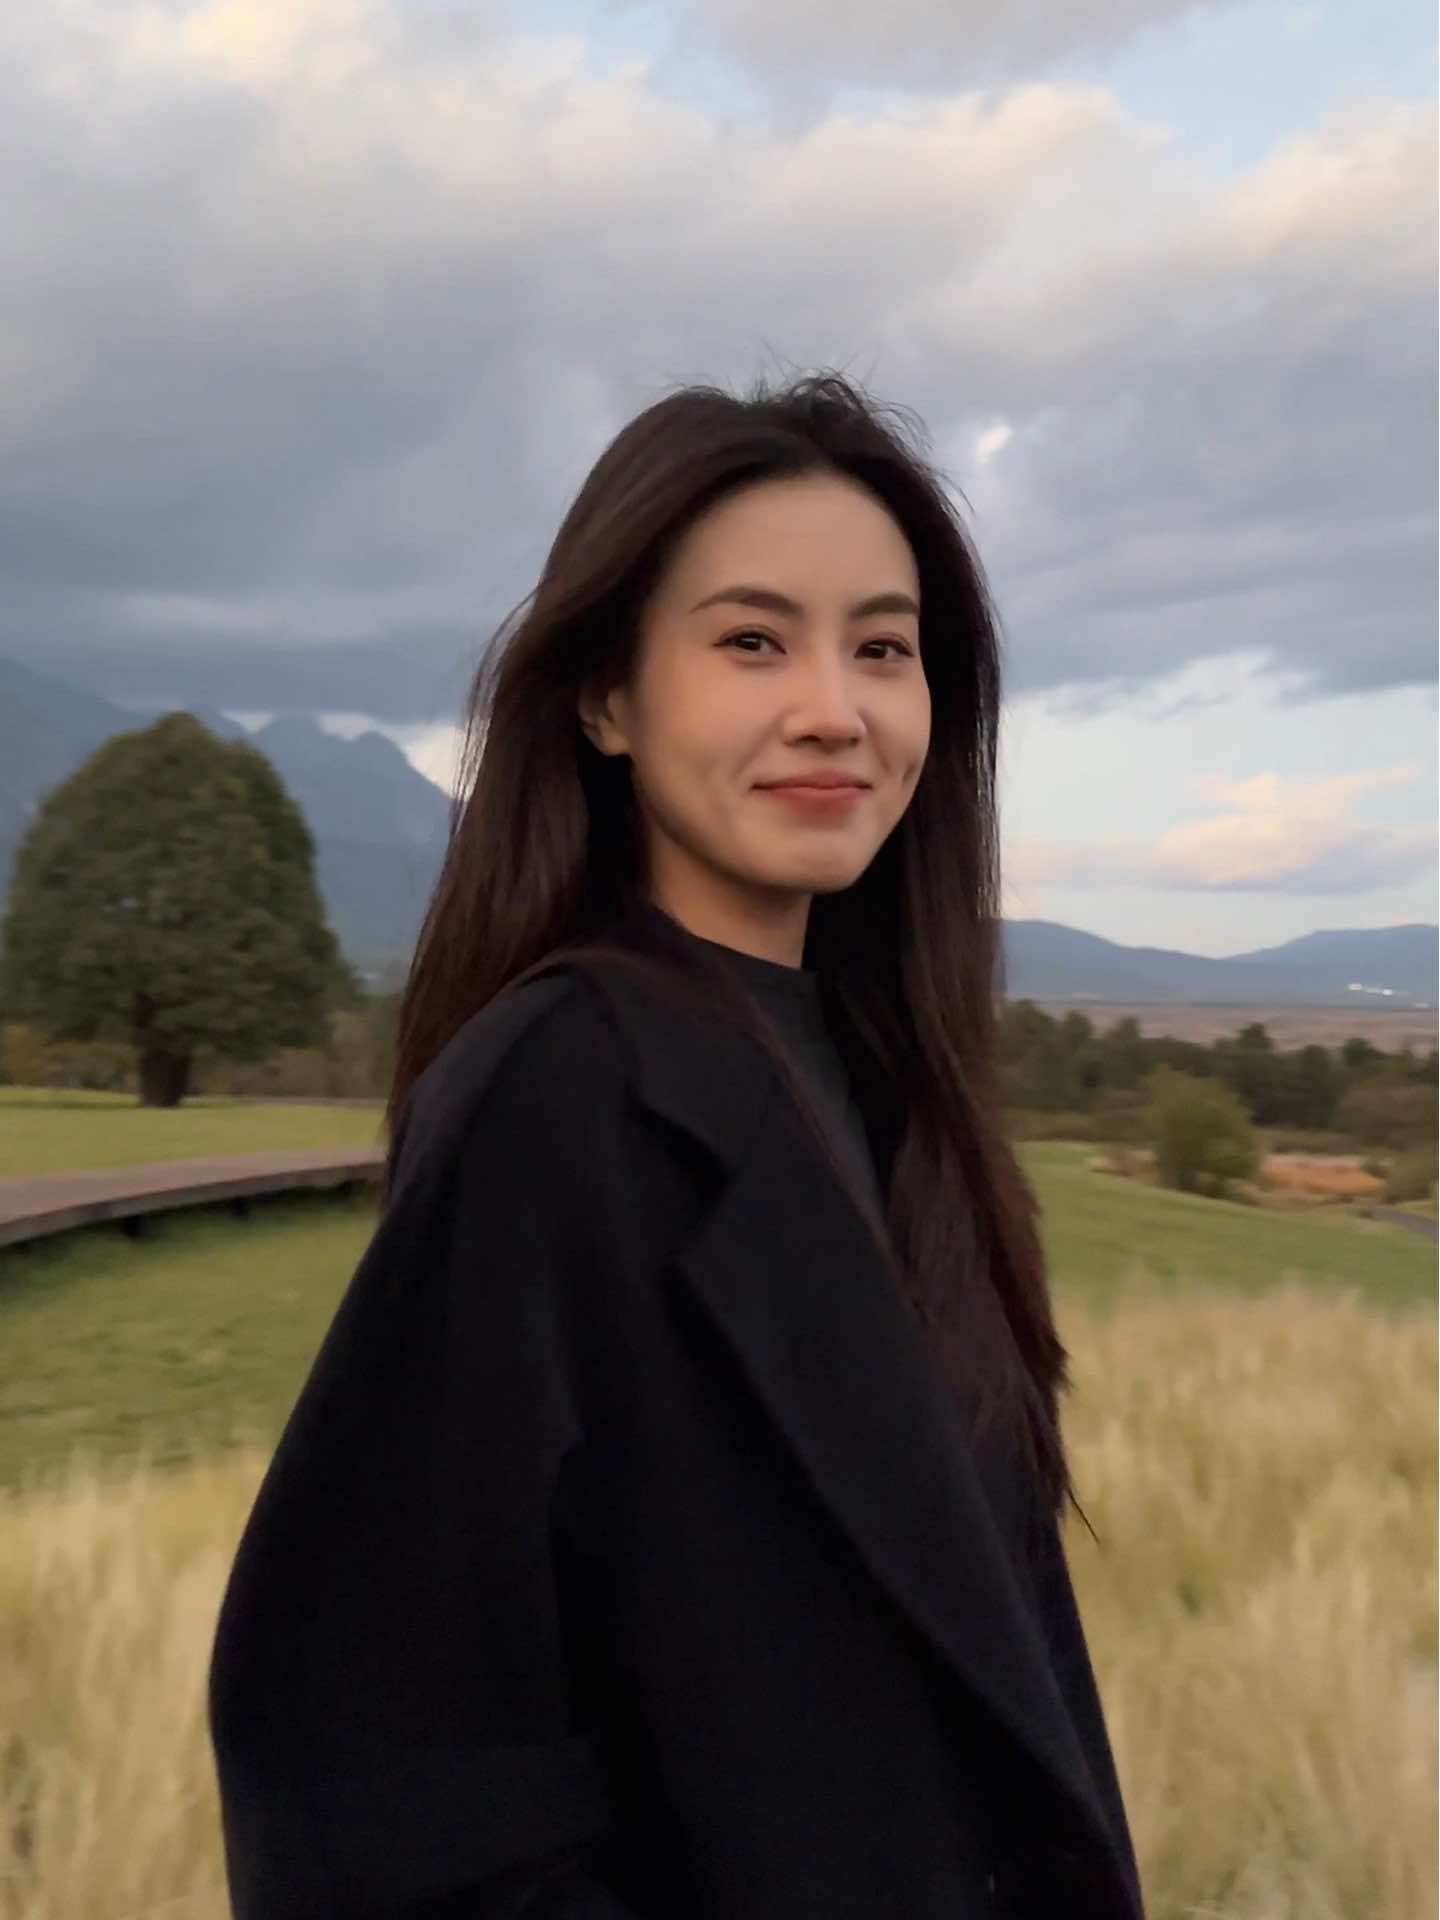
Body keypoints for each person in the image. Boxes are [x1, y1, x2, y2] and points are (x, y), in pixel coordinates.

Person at [207, 370, 1147, 1918]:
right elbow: (358, 1765)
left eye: (884, 648)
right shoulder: (557, 1090)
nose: (834, 708)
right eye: (752, 641)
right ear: (607, 700)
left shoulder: (894, 1091)